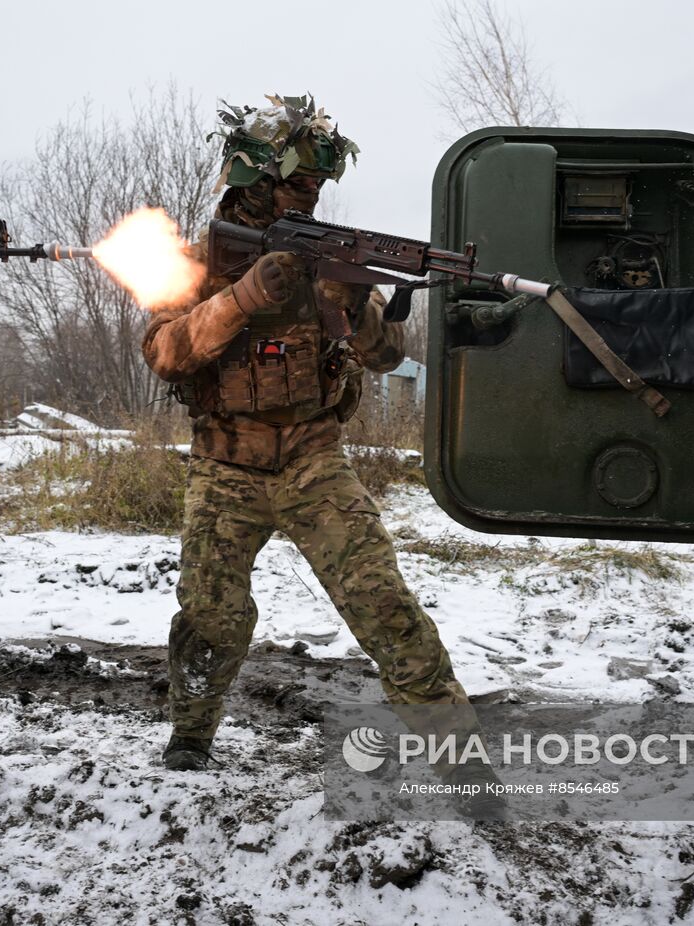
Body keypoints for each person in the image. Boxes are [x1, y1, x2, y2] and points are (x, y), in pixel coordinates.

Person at [143, 95, 487, 791]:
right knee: (211, 616)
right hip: (223, 464)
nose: (314, 194)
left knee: (381, 601)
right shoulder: (197, 259)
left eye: (317, 185)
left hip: (312, 460)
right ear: (256, 179)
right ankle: (191, 733)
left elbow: (387, 356)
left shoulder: (327, 254)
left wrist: (349, 305)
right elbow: (164, 353)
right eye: (301, 183)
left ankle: (456, 755)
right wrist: (241, 299)